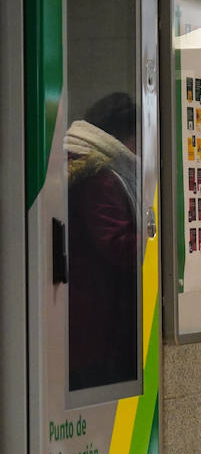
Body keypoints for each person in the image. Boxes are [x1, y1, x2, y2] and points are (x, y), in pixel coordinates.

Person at [65, 93, 141, 391]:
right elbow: (117, 244)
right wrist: (159, 243)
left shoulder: (77, 163)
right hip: (97, 322)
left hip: (82, 318)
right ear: (123, 136)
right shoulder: (100, 177)